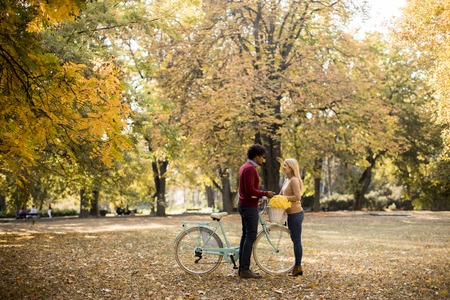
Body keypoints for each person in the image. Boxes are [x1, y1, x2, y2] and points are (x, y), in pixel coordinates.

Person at [238, 144, 274, 279]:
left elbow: (249, 189)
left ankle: (243, 269)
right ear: (257, 156)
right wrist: (265, 193)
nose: (263, 160)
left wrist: (260, 193)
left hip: (245, 205)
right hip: (248, 207)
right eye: (262, 157)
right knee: (250, 236)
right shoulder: (249, 169)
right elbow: (250, 190)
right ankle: (245, 269)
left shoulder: (245, 167)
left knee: (245, 236)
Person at [280, 158, 305, 276]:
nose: (283, 167)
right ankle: (297, 266)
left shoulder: (294, 180)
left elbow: (297, 197)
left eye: (285, 165)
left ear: (291, 168)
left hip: (296, 213)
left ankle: (298, 267)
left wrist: (284, 199)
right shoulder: (287, 180)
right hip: (290, 214)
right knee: (294, 240)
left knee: (296, 240)